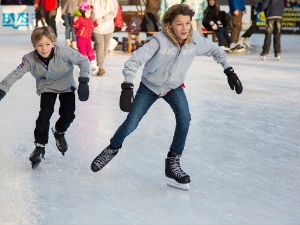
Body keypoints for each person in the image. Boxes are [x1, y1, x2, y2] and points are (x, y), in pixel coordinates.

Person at [90, 4, 243, 190]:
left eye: (187, 23)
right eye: (179, 24)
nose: (185, 28)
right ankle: (112, 148)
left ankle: (173, 161)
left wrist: (229, 70)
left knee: (185, 118)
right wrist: (128, 85)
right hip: (149, 87)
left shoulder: (194, 40)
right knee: (131, 123)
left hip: (173, 87)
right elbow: (135, 59)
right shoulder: (159, 40)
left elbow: (216, 51)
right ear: (170, 25)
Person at [0, 26, 90, 169]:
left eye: (47, 44)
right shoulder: (29, 59)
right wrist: (2, 89)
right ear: (34, 45)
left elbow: (83, 61)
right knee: (44, 115)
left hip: (66, 84)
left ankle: (59, 131)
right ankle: (39, 146)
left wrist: (84, 80)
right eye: (39, 45)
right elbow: (15, 74)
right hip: (47, 85)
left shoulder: (64, 51)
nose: (44, 48)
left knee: (68, 115)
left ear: (53, 43)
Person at [90, 0, 118, 76]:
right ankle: (100, 67)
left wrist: (102, 19)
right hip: (97, 28)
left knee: (105, 48)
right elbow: (88, 9)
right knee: (100, 47)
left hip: (108, 27)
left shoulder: (113, 1)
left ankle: (100, 63)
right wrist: (93, 20)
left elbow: (114, 13)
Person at [73, 1, 98, 75]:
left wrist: (96, 24)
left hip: (88, 38)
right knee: (82, 52)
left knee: (90, 51)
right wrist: (75, 22)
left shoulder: (89, 19)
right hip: (81, 38)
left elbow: (91, 26)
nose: (89, 14)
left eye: (90, 13)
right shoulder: (79, 18)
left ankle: (93, 65)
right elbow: (75, 26)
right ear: (83, 12)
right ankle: (83, 67)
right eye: (87, 13)